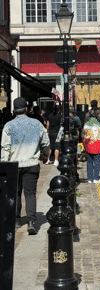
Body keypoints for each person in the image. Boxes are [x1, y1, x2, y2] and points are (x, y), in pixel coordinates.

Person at [1, 97, 50, 234]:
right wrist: (45, 156)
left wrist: (4, 165)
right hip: (31, 163)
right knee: (30, 193)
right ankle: (31, 221)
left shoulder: (8, 126)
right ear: (27, 109)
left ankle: (16, 220)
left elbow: (5, 147)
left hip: (14, 164)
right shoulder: (36, 124)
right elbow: (45, 143)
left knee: (14, 193)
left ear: (14, 110)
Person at [82, 112, 100, 183]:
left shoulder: (86, 125)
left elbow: (83, 135)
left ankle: (89, 178)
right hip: (97, 145)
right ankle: (95, 178)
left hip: (89, 145)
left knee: (89, 161)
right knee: (97, 162)